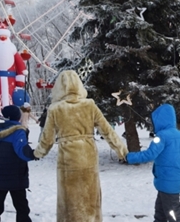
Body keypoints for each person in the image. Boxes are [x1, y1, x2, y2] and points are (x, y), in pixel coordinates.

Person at [34, 70, 127, 222]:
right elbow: (107, 130)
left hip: (68, 160)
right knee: (90, 197)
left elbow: (47, 140)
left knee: (70, 201)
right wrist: (122, 151)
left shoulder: (56, 109)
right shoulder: (89, 105)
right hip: (88, 156)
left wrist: (38, 153)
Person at [126, 104, 180, 222]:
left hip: (167, 183)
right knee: (160, 213)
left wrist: (129, 157)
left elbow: (150, 154)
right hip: (171, 183)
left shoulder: (161, 137)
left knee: (174, 216)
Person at [0, 105, 35, 222]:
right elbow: (22, 152)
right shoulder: (18, 131)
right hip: (15, 176)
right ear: (18, 116)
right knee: (21, 207)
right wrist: (34, 154)